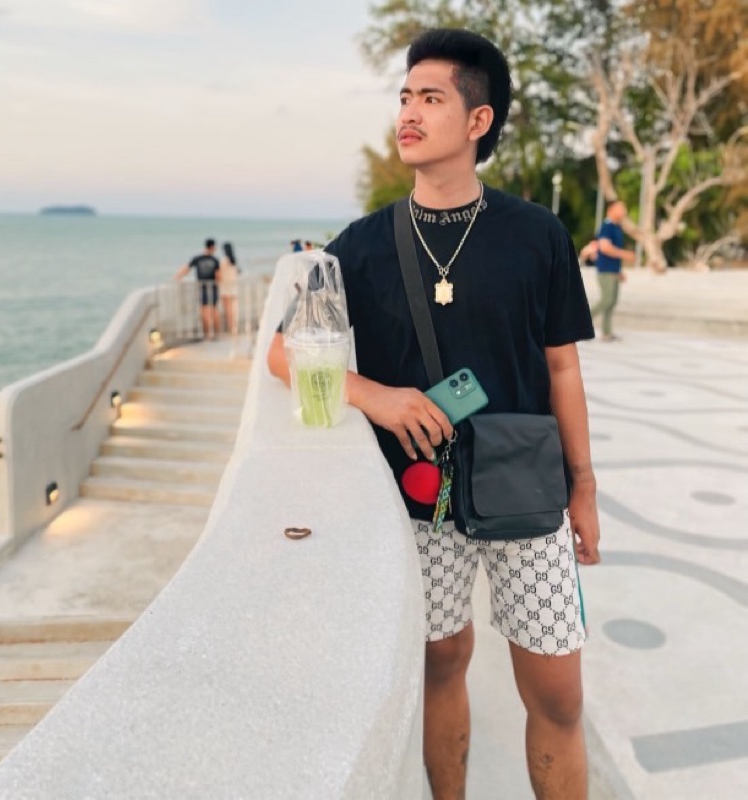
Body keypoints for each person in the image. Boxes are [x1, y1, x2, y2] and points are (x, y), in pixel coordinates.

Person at [267, 28, 600, 799]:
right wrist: (375, 396)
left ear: (478, 120)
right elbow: (284, 353)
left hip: (525, 494)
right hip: (419, 499)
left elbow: (562, 367)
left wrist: (583, 487)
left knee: (558, 694)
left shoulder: (537, 235)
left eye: (430, 98)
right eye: (405, 97)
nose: (408, 114)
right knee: (440, 662)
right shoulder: (359, 246)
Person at [590, 201, 634, 342]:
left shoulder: (617, 227)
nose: (624, 211)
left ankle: (606, 332)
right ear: (611, 209)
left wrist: (619, 270)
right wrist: (625, 254)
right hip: (605, 270)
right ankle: (580, 323)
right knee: (606, 300)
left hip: (614, 270)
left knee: (612, 302)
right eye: (620, 208)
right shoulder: (607, 227)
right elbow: (605, 248)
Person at [175, 238, 220, 339]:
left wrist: (177, 277)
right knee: (214, 311)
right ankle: (217, 334)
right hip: (213, 288)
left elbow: (186, 269)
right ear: (213, 247)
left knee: (204, 312)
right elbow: (218, 276)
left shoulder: (198, 259)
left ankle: (207, 334)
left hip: (202, 288)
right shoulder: (215, 260)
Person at [220, 241, 240, 335]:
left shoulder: (224, 261)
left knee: (228, 310)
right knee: (234, 309)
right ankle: (234, 327)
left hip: (225, 287)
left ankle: (230, 328)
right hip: (234, 287)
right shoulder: (234, 261)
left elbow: (220, 274)